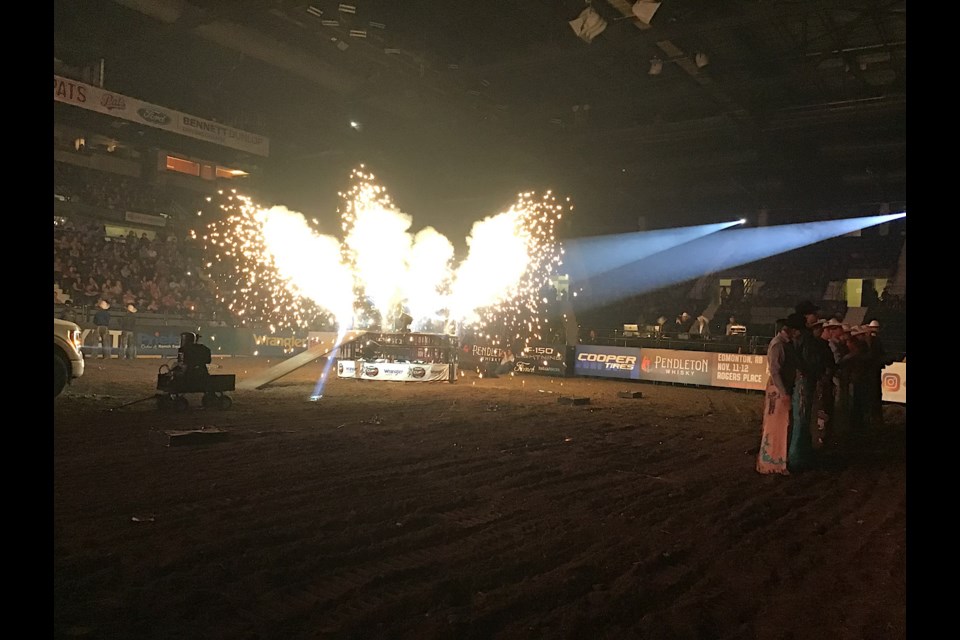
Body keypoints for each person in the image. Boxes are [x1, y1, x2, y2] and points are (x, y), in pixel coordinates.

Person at [756, 313, 803, 475]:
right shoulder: (779, 345)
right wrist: (784, 393)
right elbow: (775, 371)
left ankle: (775, 460)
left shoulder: (783, 344)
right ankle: (774, 462)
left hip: (780, 388)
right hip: (779, 390)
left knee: (780, 425)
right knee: (779, 425)